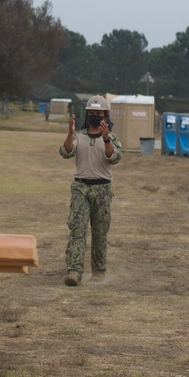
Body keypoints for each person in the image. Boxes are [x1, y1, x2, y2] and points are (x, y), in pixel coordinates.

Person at [59, 95, 123, 286]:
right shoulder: (80, 136)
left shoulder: (112, 138)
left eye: (99, 113)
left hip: (102, 188)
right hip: (81, 188)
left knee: (100, 232)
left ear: (105, 115)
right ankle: (74, 271)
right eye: (92, 113)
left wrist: (106, 139)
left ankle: (98, 271)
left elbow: (115, 158)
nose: (95, 116)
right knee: (77, 230)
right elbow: (66, 152)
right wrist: (70, 134)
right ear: (87, 115)